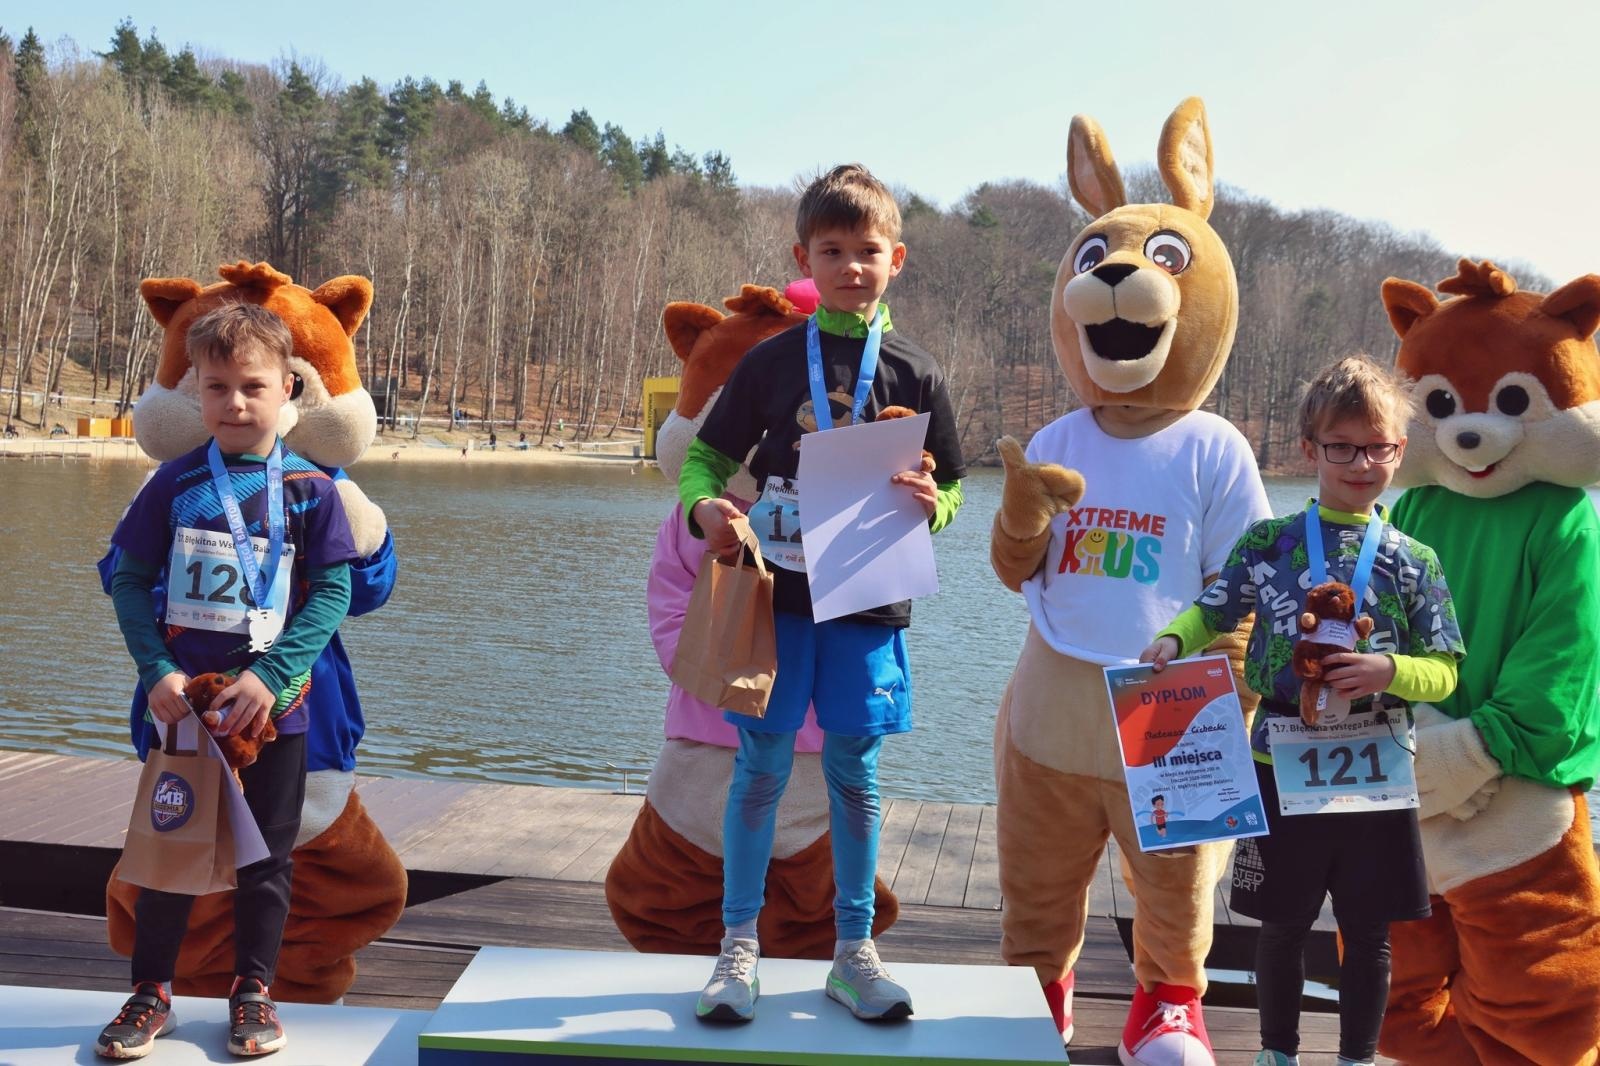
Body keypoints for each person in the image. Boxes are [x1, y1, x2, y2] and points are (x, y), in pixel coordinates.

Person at [678, 163, 967, 1024]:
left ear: (897, 258)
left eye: (867, 250)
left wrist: (933, 504)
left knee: (855, 773)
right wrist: (704, 508)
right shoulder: (771, 362)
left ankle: (854, 951)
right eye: (831, 251)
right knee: (761, 769)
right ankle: (737, 948)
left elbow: (951, 489)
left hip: (869, 599)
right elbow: (703, 457)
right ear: (803, 256)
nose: (850, 266)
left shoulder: (917, 372)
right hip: (780, 598)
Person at [1140, 355, 1466, 1066]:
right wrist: (1172, 639)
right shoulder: (1269, 543)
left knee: (1369, 932)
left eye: (1377, 447)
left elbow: (1444, 673)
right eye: (1342, 447)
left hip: (1375, 770)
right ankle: (1276, 1053)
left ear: (1399, 452)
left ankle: (1354, 1058)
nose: (1361, 463)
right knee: (1281, 926)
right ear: (1309, 449)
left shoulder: (1416, 560)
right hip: (1278, 759)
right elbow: (1215, 610)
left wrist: (1388, 669)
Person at [96, 303, 359, 1060]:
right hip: (187, 709)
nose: (235, 403)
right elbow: (127, 581)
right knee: (168, 849)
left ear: (289, 392)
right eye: (216, 387)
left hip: (274, 709)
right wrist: (157, 671)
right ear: (197, 394)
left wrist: (274, 676)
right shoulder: (174, 485)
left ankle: (253, 990)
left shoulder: (310, 489)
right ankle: (151, 993)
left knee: (268, 859)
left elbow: (333, 593)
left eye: (252, 386)